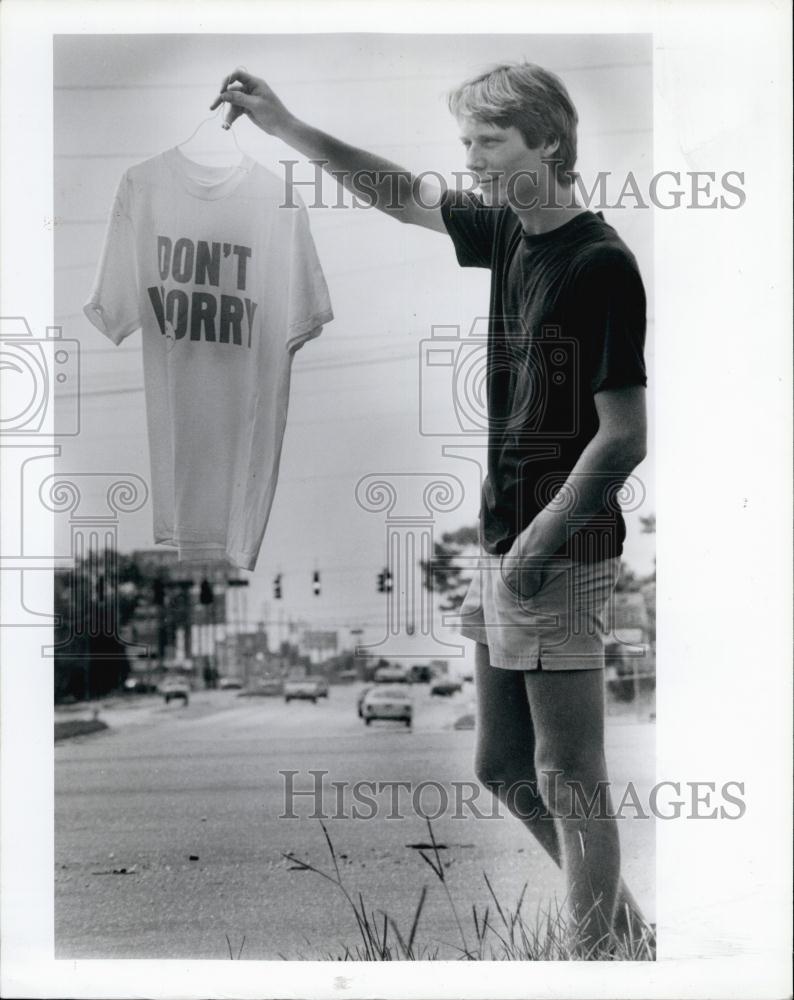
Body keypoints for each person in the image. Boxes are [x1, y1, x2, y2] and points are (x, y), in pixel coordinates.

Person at [212, 61, 650, 954]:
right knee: (501, 766)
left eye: (490, 141)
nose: (474, 159)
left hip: (557, 548)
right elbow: (398, 194)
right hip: (507, 542)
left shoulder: (600, 261)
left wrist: (538, 539)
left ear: (549, 142)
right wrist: (285, 122)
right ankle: (625, 935)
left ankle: (600, 955)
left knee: (568, 773)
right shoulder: (511, 231)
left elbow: (625, 434)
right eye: (468, 142)